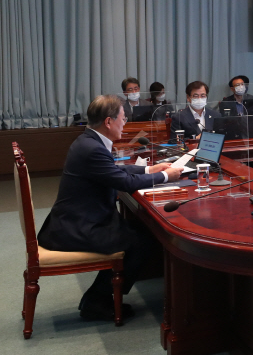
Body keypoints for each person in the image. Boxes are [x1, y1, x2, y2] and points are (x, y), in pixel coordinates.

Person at [37, 95, 183, 320]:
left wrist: (150, 170)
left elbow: (114, 172)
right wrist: (166, 175)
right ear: (108, 122)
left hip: (79, 218)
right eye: (123, 119)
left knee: (141, 233)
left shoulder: (88, 141)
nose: (124, 123)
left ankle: (98, 297)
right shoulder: (92, 148)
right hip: (77, 227)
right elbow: (124, 182)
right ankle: (98, 301)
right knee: (142, 241)